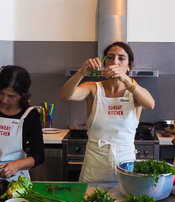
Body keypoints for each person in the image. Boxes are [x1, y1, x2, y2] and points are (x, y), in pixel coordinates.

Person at [60, 41, 155, 183]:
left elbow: (150, 104)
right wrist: (81, 72)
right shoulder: (93, 88)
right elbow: (66, 95)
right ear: (105, 63)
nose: (115, 61)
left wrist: (124, 79)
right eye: (110, 57)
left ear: (129, 65)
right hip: (95, 165)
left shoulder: (135, 92)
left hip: (125, 165)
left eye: (121, 58)